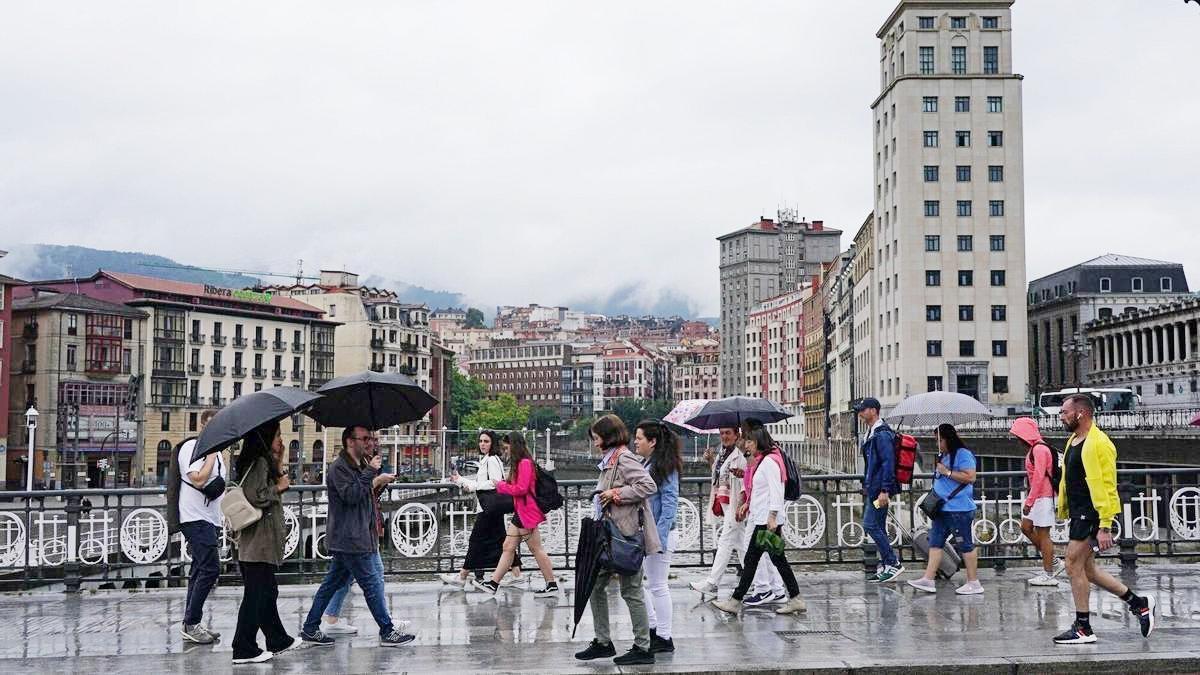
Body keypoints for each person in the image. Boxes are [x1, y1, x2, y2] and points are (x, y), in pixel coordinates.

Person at [1052, 394, 1155, 645]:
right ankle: (1139, 604)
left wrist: (1106, 525)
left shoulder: (1100, 443)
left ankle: (1083, 627)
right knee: (1089, 570)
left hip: (1091, 514)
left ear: (1080, 414)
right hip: (1079, 512)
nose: (1061, 417)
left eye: (1064, 412)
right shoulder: (1073, 440)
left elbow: (1108, 485)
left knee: (1072, 564)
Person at [300, 426, 414, 647]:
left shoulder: (359, 464)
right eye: (364, 439)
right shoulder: (338, 467)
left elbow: (364, 495)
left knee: (331, 584)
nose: (368, 443)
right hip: (350, 537)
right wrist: (371, 473)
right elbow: (351, 496)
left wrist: (379, 482)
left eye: (370, 438)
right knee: (371, 583)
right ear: (350, 441)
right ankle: (387, 630)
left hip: (359, 533)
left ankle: (310, 627)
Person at [575, 414, 660, 666]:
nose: (594, 443)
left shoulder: (623, 458)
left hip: (625, 535)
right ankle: (603, 641)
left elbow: (648, 485)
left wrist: (616, 493)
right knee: (595, 585)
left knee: (631, 590)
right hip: (609, 536)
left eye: (597, 438)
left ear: (607, 438)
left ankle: (643, 647)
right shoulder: (610, 460)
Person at [711, 423, 806, 616]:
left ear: (758, 441)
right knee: (777, 560)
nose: (746, 445)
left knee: (753, 559)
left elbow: (777, 491)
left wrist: (772, 517)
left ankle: (736, 601)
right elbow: (760, 490)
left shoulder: (770, 462)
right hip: (764, 517)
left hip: (766, 521)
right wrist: (748, 503)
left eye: (749, 441)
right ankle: (795, 598)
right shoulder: (763, 460)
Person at [230, 420, 295, 664]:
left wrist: (279, 460)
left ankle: (278, 640)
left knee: (267, 591)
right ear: (266, 438)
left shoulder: (263, 462)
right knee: (256, 596)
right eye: (277, 436)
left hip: (260, 542)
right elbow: (255, 495)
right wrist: (278, 487)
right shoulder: (257, 463)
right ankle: (243, 647)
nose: (281, 440)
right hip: (258, 541)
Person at [476, 433, 558, 597]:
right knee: (508, 547)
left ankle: (551, 584)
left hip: (526, 511)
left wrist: (500, 486)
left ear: (514, 446)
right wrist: (504, 483)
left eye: (507, 448)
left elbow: (521, 489)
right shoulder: (520, 463)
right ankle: (493, 583)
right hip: (521, 511)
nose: (505, 451)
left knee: (536, 549)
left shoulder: (525, 463)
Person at [442, 430, 525, 590]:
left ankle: (462, 576)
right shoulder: (488, 459)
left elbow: (495, 483)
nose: (482, 444)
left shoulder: (492, 460)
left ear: (492, 443)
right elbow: (484, 482)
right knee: (502, 541)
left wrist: (472, 485)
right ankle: (517, 574)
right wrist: (460, 480)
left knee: (476, 541)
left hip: (489, 508)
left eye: (486, 441)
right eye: (481, 441)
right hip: (492, 507)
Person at [906, 424, 983, 595]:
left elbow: (970, 477)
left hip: (958, 508)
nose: (937, 444)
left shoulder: (963, 454)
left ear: (948, 439)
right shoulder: (945, 456)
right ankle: (928, 578)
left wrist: (947, 472)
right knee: (935, 541)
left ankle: (973, 582)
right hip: (943, 508)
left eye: (939, 440)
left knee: (965, 544)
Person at [634, 420, 681, 654]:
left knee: (658, 585)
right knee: (643, 583)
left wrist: (659, 539)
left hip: (660, 535)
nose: (636, 442)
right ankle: (654, 628)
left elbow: (670, 503)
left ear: (652, 442)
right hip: (648, 534)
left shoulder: (665, 466)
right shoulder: (647, 463)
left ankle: (664, 635)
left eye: (640, 438)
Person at [179, 409, 223, 645]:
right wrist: (211, 456)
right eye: (213, 426)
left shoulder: (217, 455)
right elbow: (198, 479)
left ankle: (190, 622)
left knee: (198, 570)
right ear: (203, 427)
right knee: (210, 569)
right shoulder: (191, 449)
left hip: (210, 519)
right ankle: (191, 622)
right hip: (194, 518)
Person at [690, 427, 749, 595]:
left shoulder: (740, 454)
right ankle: (763, 581)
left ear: (736, 434)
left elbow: (746, 479)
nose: (724, 436)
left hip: (735, 502)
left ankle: (712, 582)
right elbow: (718, 476)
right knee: (742, 545)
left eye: (728, 433)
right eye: (722, 433)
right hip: (725, 501)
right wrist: (710, 461)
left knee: (726, 541)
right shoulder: (722, 453)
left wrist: (742, 504)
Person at [1011, 417, 1065, 586]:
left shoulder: (1039, 450)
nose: (1017, 440)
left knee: (1044, 535)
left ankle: (1049, 573)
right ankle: (1054, 561)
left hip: (1043, 497)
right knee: (1026, 527)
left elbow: (1039, 477)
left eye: (1018, 436)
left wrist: (1029, 501)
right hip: (1040, 496)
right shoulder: (1036, 448)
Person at [855, 397, 903, 583]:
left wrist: (884, 490)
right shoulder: (871, 432)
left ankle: (893, 562)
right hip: (874, 488)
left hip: (878, 490)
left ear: (873, 411)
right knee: (879, 525)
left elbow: (887, 463)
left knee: (870, 525)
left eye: (863, 409)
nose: (860, 413)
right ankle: (887, 565)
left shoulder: (881, 434)